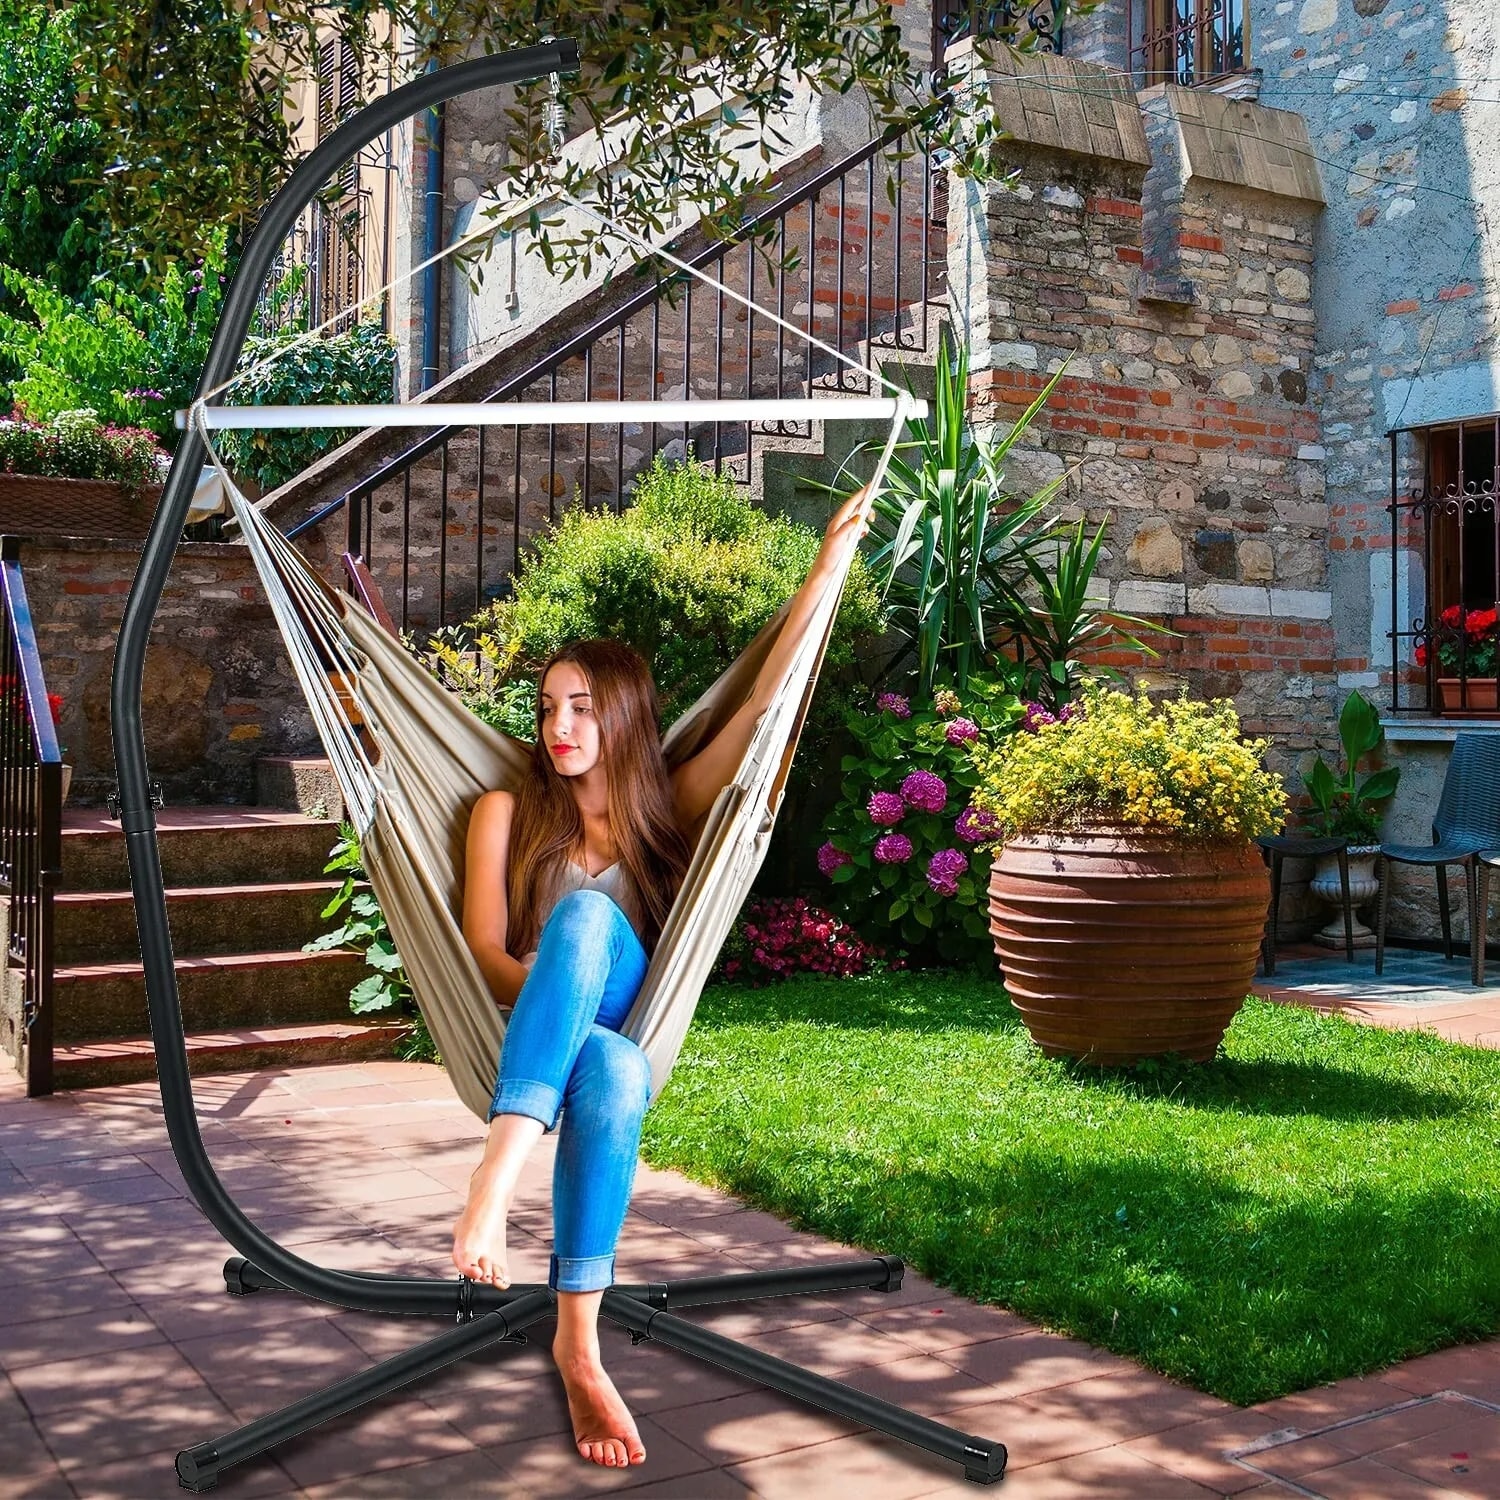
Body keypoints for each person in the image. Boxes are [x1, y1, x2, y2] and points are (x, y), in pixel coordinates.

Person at [451, 488, 870, 1469]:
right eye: (549, 707)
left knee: (590, 915)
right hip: (553, 1033)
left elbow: (763, 703)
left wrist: (822, 576)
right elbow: (479, 951)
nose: (559, 726)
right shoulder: (502, 815)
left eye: (582, 708)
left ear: (625, 715)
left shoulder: (666, 808)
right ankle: (579, 1344)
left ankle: (495, 1176)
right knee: (617, 1076)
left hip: (630, 996)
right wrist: (552, 979)